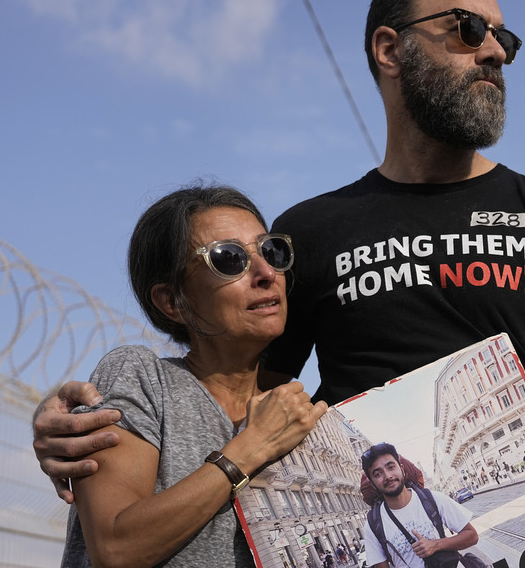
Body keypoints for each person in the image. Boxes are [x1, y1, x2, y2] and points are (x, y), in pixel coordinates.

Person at [34, 0, 525, 567]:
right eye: (469, 29)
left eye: (505, 39)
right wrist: (85, 429)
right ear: (389, 50)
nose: (494, 51)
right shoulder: (306, 232)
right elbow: (234, 391)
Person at [60, 185, 326, 566]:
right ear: (172, 302)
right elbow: (116, 549)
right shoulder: (143, 377)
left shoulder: (296, 416)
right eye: (230, 259)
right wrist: (250, 448)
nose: (267, 273)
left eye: (271, 251)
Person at [361, 443, 478, 568]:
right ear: (373, 482)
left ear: (402, 469)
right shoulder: (373, 524)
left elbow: (472, 535)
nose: (388, 476)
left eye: (391, 467)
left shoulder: (433, 499)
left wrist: (436, 545)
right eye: (378, 474)